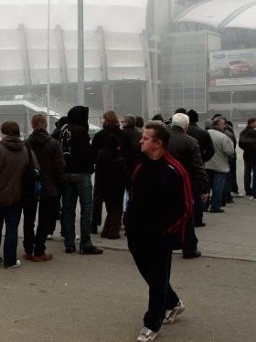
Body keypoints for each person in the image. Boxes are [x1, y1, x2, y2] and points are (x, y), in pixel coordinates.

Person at [124, 121, 191, 342]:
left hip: (161, 236)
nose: (140, 141)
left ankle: (152, 324)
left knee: (158, 279)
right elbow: (133, 194)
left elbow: (186, 206)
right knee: (151, 276)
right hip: (136, 233)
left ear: (158, 143)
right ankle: (173, 302)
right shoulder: (139, 164)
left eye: (145, 138)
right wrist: (129, 221)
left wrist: (167, 231)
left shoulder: (174, 169)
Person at [0, 121, 32, 269]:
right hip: (17, 196)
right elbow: (32, 173)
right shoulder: (26, 151)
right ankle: (10, 260)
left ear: (4, 133)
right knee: (12, 229)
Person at [59, 106, 103, 255]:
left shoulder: (64, 130)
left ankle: (69, 243)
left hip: (66, 173)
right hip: (81, 173)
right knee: (86, 209)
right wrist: (91, 168)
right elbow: (86, 154)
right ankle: (85, 243)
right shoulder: (81, 131)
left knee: (68, 209)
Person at [22, 114, 64, 262]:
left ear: (32, 125)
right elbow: (60, 167)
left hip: (29, 186)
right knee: (45, 220)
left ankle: (28, 249)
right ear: (46, 125)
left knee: (29, 219)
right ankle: (39, 250)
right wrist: (59, 185)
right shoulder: (54, 144)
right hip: (49, 185)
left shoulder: (26, 144)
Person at [167, 113, 208, 259]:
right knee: (186, 214)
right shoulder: (191, 142)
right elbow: (198, 166)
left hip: (163, 181)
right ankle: (189, 248)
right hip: (184, 183)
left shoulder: (162, 138)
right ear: (186, 126)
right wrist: (204, 188)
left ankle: (162, 245)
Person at [90, 110, 127, 233]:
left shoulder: (100, 135)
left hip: (101, 172)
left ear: (106, 120)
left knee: (98, 198)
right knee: (116, 201)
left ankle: (94, 224)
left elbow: (93, 152)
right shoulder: (122, 134)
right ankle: (113, 225)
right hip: (118, 172)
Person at [95, 135, 129, 239]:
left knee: (110, 210)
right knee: (116, 211)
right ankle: (113, 232)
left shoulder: (100, 155)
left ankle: (105, 231)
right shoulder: (120, 160)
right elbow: (125, 176)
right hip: (117, 188)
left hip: (103, 186)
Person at [205, 117, 234, 213]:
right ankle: (215, 206)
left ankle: (204, 206)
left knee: (206, 187)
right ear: (218, 125)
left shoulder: (206, 133)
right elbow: (229, 151)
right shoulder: (222, 137)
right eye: (223, 124)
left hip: (206, 164)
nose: (224, 126)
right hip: (220, 166)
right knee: (217, 187)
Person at [238, 117, 256, 197]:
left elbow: (240, 144)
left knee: (247, 173)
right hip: (254, 155)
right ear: (251, 123)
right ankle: (254, 190)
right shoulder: (254, 133)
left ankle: (247, 189)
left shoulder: (242, 132)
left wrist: (246, 149)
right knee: (254, 173)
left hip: (246, 154)